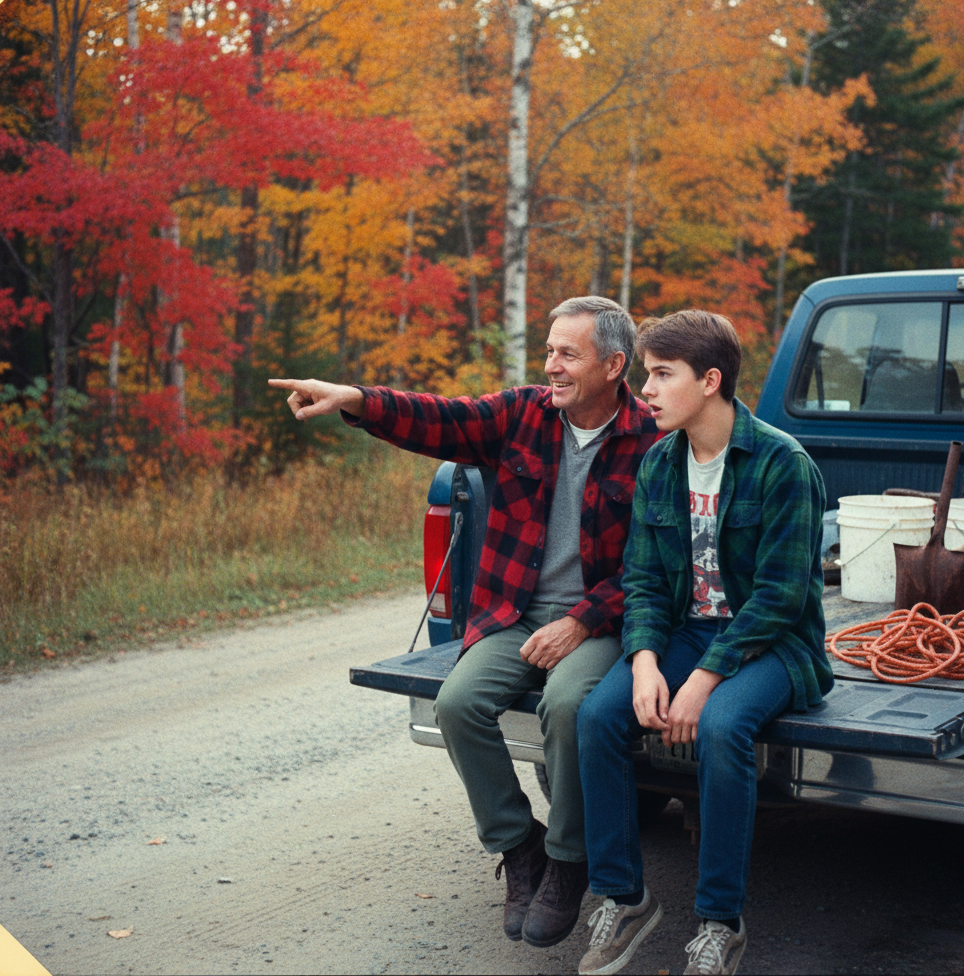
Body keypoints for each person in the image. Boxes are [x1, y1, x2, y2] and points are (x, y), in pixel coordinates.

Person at [269, 296, 660, 949]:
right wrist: (354, 399)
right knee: (456, 703)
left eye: (568, 353)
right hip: (514, 610)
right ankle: (520, 846)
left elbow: (656, 566)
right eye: (548, 351)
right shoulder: (523, 414)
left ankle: (569, 861)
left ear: (614, 364)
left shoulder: (653, 441)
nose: (551, 366)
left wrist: (584, 621)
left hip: (601, 623)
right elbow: (439, 418)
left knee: (567, 708)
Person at [574, 310, 832, 976]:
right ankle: (623, 896)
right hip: (690, 631)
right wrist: (646, 663)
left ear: (710, 380)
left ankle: (720, 921)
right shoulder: (661, 463)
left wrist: (702, 679)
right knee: (597, 715)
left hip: (775, 644)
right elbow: (644, 580)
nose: (646, 390)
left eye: (662, 374)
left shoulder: (783, 463)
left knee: (719, 728)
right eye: (645, 374)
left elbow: (779, 600)